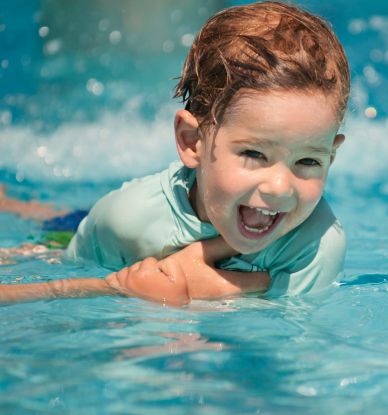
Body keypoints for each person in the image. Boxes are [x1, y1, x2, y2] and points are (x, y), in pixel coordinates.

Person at [0, 1, 349, 306]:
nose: (279, 187)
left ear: (330, 158)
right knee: (50, 237)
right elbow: (63, 300)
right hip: (80, 231)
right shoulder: (126, 221)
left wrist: (193, 292)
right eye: (255, 154)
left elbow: (288, 338)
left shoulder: (316, 244)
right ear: (192, 141)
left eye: (307, 161)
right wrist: (121, 289)